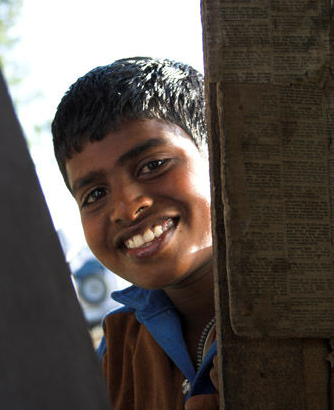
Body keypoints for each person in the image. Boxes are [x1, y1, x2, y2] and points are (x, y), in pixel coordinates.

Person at [52, 57, 219, 410]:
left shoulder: (312, 312)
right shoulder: (116, 351)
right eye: (95, 194)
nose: (126, 208)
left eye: (153, 165)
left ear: (221, 157)